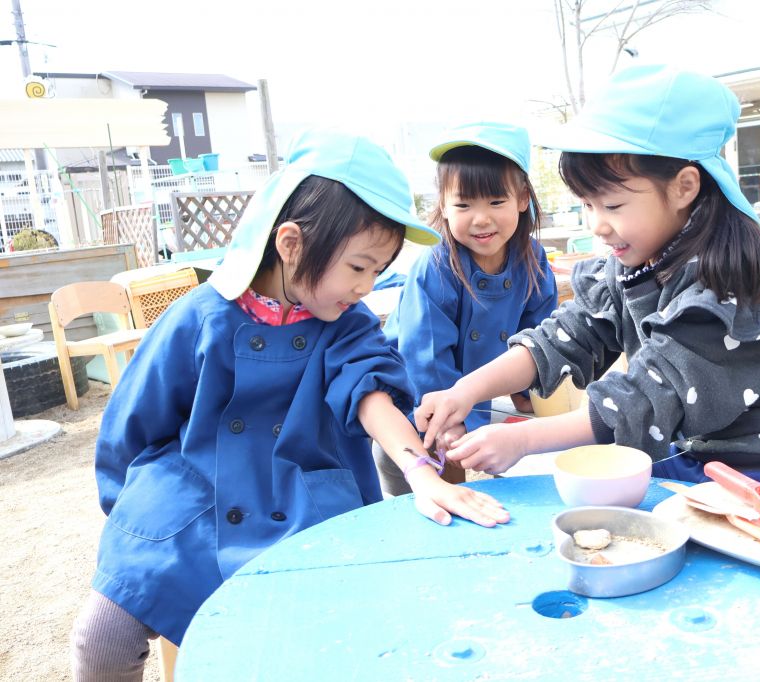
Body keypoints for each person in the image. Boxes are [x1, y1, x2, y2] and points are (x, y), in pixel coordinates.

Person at [70, 129, 509, 680]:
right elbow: (133, 427)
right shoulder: (198, 317)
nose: (365, 287)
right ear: (291, 243)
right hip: (191, 501)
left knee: (317, 638)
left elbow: (371, 395)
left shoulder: (346, 325)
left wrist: (420, 472)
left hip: (304, 501)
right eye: (357, 267)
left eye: (378, 270)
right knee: (102, 637)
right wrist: (134, 515)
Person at [416, 66, 760, 509]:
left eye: (612, 204)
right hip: (705, 455)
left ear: (685, 186)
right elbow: (560, 337)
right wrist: (466, 391)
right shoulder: (631, 262)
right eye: (587, 205)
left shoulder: (722, 288)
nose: (598, 225)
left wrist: (524, 439)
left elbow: (644, 398)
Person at [375, 122, 558, 495]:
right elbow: (423, 354)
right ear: (442, 204)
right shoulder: (437, 266)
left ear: (522, 199)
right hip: (415, 406)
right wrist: (447, 420)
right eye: (463, 204)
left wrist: (530, 394)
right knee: (423, 497)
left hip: (470, 399)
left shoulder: (533, 260)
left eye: (496, 202)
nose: (481, 218)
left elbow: (540, 333)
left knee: (459, 484)